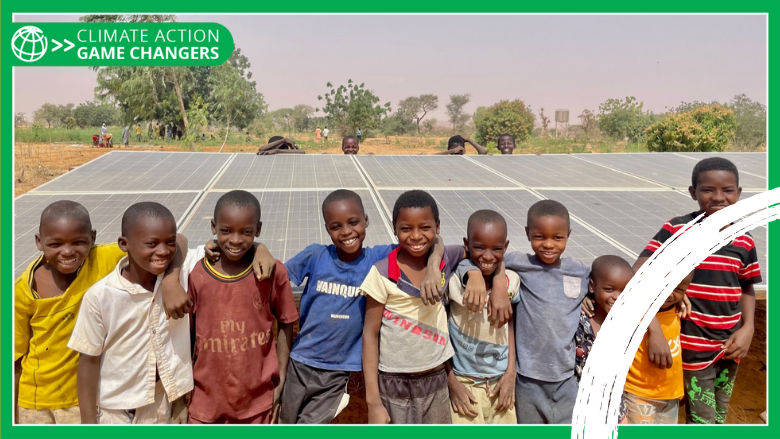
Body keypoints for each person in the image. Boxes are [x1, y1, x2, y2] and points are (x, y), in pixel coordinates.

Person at [279, 189, 445, 424]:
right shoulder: (316, 255)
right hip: (300, 362)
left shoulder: (378, 258)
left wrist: (434, 265)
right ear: (327, 228)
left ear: (366, 221)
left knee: (309, 426)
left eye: (353, 222)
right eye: (336, 226)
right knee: (284, 422)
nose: (346, 232)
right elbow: (276, 276)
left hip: (339, 372)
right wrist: (260, 250)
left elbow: (432, 241)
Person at [635, 157, 761, 424]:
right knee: (701, 420)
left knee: (718, 415)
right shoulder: (677, 229)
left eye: (727, 190)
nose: (718, 197)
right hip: (694, 345)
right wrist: (677, 289)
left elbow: (747, 286)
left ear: (739, 194)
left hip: (731, 345)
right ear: (693, 192)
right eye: (707, 190)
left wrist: (748, 328)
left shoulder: (744, 239)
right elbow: (639, 270)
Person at [457, 199, 589, 424]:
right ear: (528, 234)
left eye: (557, 237)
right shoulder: (519, 263)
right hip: (527, 380)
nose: (548, 244)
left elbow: (607, 285)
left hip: (566, 378)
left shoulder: (580, 271)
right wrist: (498, 283)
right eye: (540, 237)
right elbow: (473, 261)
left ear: (569, 234)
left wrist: (588, 297)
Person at [68, 202, 198, 424]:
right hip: (114, 412)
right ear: (124, 244)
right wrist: (88, 422)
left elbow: (186, 240)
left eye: (169, 243)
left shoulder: (182, 276)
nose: (163, 251)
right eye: (151, 244)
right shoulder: (101, 297)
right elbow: (88, 362)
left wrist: (170, 280)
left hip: (162, 405)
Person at [187, 191, 298, 424]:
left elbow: (287, 324)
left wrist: (280, 381)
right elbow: (188, 336)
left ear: (257, 230)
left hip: (258, 405)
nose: (235, 240)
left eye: (246, 232)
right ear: (213, 227)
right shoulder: (198, 274)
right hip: (205, 404)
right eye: (226, 231)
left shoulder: (272, 272)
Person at [360, 190, 469, 424]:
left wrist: (480, 276)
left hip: (437, 380)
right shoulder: (382, 273)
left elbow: (473, 251)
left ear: (438, 227)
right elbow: (370, 334)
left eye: (425, 228)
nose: (416, 236)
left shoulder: (444, 261)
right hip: (393, 384)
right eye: (406, 228)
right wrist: (373, 403)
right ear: (394, 228)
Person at [14, 201, 126, 424]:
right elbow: (15, 359)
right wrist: (10, 416)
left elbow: (173, 240)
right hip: (34, 402)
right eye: (55, 244)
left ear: (92, 238)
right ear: (39, 242)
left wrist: (171, 282)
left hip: (81, 401)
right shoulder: (24, 291)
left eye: (78, 242)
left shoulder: (100, 259)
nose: (67, 251)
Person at [447, 210, 519, 424]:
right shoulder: (453, 283)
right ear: (466, 244)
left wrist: (510, 374)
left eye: (496, 249)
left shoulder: (512, 282)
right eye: (479, 247)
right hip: (464, 385)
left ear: (505, 247)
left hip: (501, 385)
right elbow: (439, 330)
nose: (488, 256)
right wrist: (452, 382)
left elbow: (510, 328)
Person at [624, 272, 693, 424]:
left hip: (671, 395)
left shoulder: (678, 310)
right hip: (639, 395)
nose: (670, 294)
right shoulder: (633, 312)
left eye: (679, 289)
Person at [574, 255, 633, 423]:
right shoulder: (578, 320)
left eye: (624, 291)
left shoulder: (624, 323)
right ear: (592, 286)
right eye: (609, 289)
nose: (617, 297)